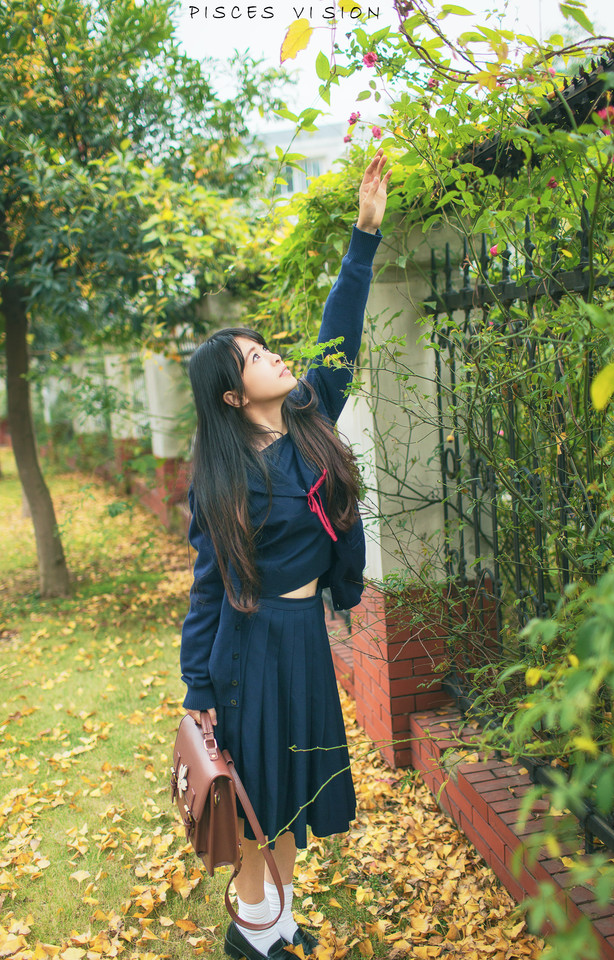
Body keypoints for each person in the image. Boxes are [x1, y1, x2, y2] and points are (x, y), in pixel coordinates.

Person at [180, 150, 391, 960]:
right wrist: (197, 687)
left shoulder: (309, 419)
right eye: (252, 357)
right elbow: (206, 588)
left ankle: (278, 926)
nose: (270, 355)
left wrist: (362, 237)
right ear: (233, 397)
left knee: (294, 791)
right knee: (258, 798)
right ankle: (254, 932)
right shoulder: (220, 481)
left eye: (265, 347)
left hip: (304, 639)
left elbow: (339, 333)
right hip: (247, 645)